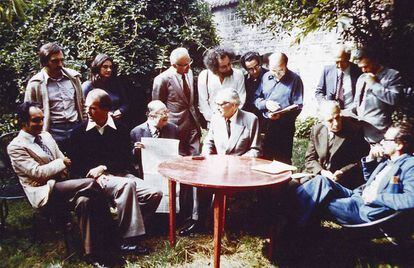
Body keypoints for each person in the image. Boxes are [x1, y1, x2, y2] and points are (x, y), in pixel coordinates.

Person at [7, 102, 113, 265]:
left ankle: (92, 254)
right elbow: (38, 173)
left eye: (42, 119)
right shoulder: (16, 147)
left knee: (85, 200)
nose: (41, 124)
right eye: (36, 120)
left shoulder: (46, 136)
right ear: (23, 122)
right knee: (92, 184)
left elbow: (61, 159)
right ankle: (112, 234)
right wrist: (61, 164)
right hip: (45, 192)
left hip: (63, 185)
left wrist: (61, 165)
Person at [69, 89, 162, 255]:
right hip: (94, 180)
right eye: (87, 108)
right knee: (127, 185)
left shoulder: (120, 128)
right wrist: (95, 175)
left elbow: (125, 159)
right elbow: (76, 165)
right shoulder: (78, 132)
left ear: (106, 110)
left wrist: (104, 167)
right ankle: (128, 241)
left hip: (119, 174)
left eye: (93, 108)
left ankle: (118, 231)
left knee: (154, 193)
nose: (88, 112)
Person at [291, 122, 414, 226]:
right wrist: (370, 158)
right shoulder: (389, 160)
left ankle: (288, 224)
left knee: (317, 200)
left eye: (387, 140)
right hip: (357, 195)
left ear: (399, 144)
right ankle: (287, 213)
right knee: (320, 181)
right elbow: (370, 179)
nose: (382, 142)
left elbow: (411, 199)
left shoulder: (410, 166)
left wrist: (376, 198)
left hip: (364, 209)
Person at [179, 89, 261, 236]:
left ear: (235, 105)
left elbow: (255, 150)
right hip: (217, 167)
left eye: (221, 104)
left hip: (240, 170)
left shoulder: (251, 119)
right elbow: (209, 142)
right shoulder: (216, 117)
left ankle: (233, 226)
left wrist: (236, 163)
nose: (217, 107)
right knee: (199, 181)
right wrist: (206, 157)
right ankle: (198, 221)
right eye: (216, 103)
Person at [24, 42, 86, 154]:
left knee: (79, 164)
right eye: (55, 61)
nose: (60, 64)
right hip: (52, 132)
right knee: (57, 166)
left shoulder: (73, 78)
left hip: (76, 128)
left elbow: (82, 103)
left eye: (62, 60)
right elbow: (28, 113)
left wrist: (84, 124)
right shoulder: (36, 84)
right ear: (44, 62)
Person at [302, 101, 369, 189]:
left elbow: (360, 160)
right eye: (330, 121)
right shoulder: (317, 130)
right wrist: (322, 172)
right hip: (320, 175)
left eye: (337, 117)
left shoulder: (354, 130)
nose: (336, 123)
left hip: (344, 179)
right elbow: (310, 159)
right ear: (322, 121)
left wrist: (342, 172)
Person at [254, 52, 303, 164]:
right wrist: (265, 104)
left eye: (280, 70)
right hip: (266, 124)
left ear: (286, 65)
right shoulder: (266, 77)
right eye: (273, 70)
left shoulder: (295, 79)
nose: (276, 74)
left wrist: (281, 115)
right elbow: (256, 98)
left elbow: (298, 105)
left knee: (283, 161)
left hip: (284, 127)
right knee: (264, 160)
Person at [152, 47, 201, 156]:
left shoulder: (190, 73)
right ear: (174, 65)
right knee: (179, 161)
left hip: (193, 123)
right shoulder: (162, 79)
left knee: (196, 157)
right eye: (184, 65)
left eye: (190, 62)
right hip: (175, 127)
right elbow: (157, 107)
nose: (189, 66)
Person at [351, 47, 404, 143]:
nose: (363, 70)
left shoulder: (392, 75)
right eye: (361, 67)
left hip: (381, 135)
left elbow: (394, 99)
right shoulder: (361, 78)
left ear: (375, 61)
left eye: (366, 66)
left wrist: (374, 85)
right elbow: (357, 103)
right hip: (361, 134)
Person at [130, 100, 179, 178]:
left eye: (167, 112)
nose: (166, 115)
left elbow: (181, 152)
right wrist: (136, 150)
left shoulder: (173, 129)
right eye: (162, 113)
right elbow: (132, 161)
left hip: (169, 173)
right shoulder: (137, 132)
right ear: (151, 115)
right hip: (147, 174)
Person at [198, 46, 246, 123]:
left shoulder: (238, 74)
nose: (228, 68)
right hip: (213, 121)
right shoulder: (204, 76)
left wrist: (231, 117)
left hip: (234, 120)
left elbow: (241, 98)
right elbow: (203, 103)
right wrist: (213, 120)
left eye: (229, 64)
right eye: (223, 67)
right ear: (214, 68)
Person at [82, 54, 129, 125]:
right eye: (105, 67)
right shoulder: (88, 86)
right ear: (97, 67)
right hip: (95, 124)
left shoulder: (116, 84)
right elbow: (82, 109)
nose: (109, 70)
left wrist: (120, 111)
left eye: (110, 67)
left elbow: (125, 103)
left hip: (115, 123)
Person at [315, 44, 362, 109]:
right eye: (337, 62)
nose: (339, 65)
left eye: (342, 62)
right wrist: (325, 104)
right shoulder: (327, 71)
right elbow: (319, 92)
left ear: (348, 58)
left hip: (352, 114)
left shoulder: (358, 71)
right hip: (332, 114)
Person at [240, 51, 268, 117]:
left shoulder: (269, 76)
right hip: (250, 117)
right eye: (250, 69)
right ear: (246, 69)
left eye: (256, 66)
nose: (255, 71)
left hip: (267, 116)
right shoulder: (243, 80)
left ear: (260, 63)